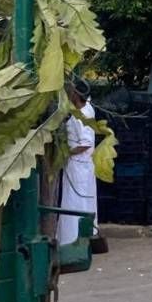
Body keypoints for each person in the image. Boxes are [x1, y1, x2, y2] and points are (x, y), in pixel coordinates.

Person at [58, 78, 97, 247]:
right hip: (82, 165)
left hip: (78, 164)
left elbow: (85, 143)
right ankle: (82, 237)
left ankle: (73, 239)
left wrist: (67, 152)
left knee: (75, 202)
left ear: (75, 94)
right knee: (83, 201)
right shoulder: (86, 109)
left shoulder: (82, 115)